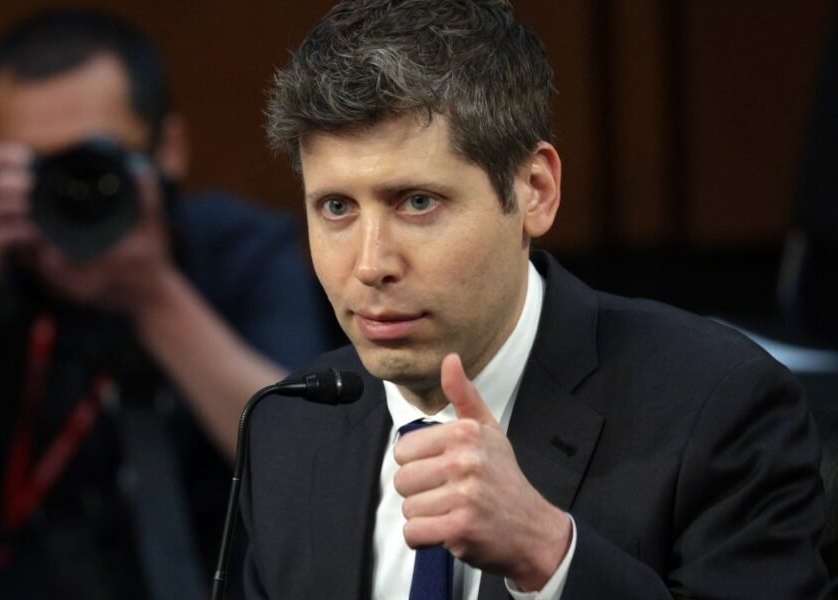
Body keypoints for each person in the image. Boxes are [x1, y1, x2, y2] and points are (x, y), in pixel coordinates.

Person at [240, 0, 829, 598]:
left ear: (536, 193)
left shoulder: (718, 407)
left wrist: (549, 555)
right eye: (336, 207)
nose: (370, 265)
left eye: (418, 202)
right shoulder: (289, 428)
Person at [0, 8, 331, 600]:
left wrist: (154, 294)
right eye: (36, 168)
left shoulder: (237, 247)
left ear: (168, 149)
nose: (68, 191)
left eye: (95, 161)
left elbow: (309, 466)